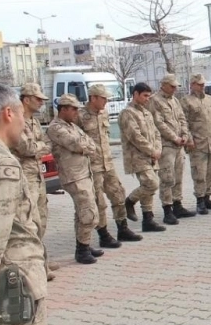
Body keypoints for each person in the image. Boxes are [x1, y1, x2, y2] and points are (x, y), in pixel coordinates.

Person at [0, 83, 56, 325]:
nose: (24, 123)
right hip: (11, 288)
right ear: (7, 113)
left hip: (0, 288)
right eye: (21, 116)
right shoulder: (1, 163)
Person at [47, 94, 116, 264]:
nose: (77, 112)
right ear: (63, 109)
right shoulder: (56, 128)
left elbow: (90, 144)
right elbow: (77, 144)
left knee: (82, 212)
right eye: (74, 109)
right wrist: (84, 146)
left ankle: (83, 244)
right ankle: (82, 250)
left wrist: (85, 146)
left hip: (84, 173)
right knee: (89, 212)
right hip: (73, 176)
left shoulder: (72, 126)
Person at [76, 84, 143, 243]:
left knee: (118, 193)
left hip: (108, 163)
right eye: (103, 98)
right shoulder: (80, 116)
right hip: (92, 167)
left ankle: (123, 228)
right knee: (99, 202)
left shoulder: (104, 113)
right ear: (93, 98)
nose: (106, 101)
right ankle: (103, 234)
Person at [11, 83, 57, 281]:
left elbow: (46, 145)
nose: (41, 103)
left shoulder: (35, 122)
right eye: (38, 99)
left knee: (42, 221)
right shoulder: (17, 119)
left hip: (37, 175)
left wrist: (39, 147)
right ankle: (34, 268)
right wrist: (40, 148)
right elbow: (26, 148)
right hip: (25, 177)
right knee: (30, 223)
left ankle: (42, 261)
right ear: (26, 99)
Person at [149, 74, 195, 225]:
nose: (175, 89)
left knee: (178, 176)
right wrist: (174, 137)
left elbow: (182, 119)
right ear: (164, 85)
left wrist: (184, 135)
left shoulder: (175, 101)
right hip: (167, 145)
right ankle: (167, 209)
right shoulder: (155, 101)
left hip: (179, 145)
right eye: (172, 86)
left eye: (176, 86)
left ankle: (177, 205)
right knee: (167, 177)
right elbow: (159, 123)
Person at [120, 83, 166, 232]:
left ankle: (148, 220)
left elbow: (156, 133)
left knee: (149, 189)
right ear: (135, 94)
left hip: (151, 156)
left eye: (149, 96)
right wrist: (152, 150)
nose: (147, 99)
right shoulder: (128, 113)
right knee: (152, 183)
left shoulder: (146, 113)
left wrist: (157, 149)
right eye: (145, 96)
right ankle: (129, 201)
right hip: (137, 156)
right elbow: (135, 137)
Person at [181, 74, 211, 213]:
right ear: (192, 85)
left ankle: (207, 196)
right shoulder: (186, 101)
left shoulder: (210, 100)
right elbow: (183, 122)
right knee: (200, 174)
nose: (202, 86)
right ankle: (199, 200)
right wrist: (189, 139)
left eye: (203, 84)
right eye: (199, 84)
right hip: (197, 144)